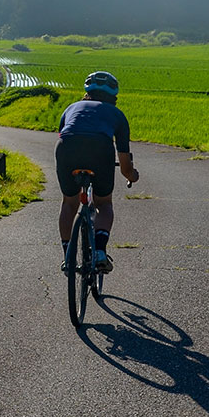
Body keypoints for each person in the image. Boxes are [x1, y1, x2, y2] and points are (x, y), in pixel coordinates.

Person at [56, 71, 139, 273]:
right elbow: (125, 164)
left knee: (69, 203)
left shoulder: (71, 107)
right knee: (103, 203)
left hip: (66, 147)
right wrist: (132, 176)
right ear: (114, 96)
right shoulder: (117, 115)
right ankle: (100, 252)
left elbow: (63, 133)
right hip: (100, 150)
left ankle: (68, 257)